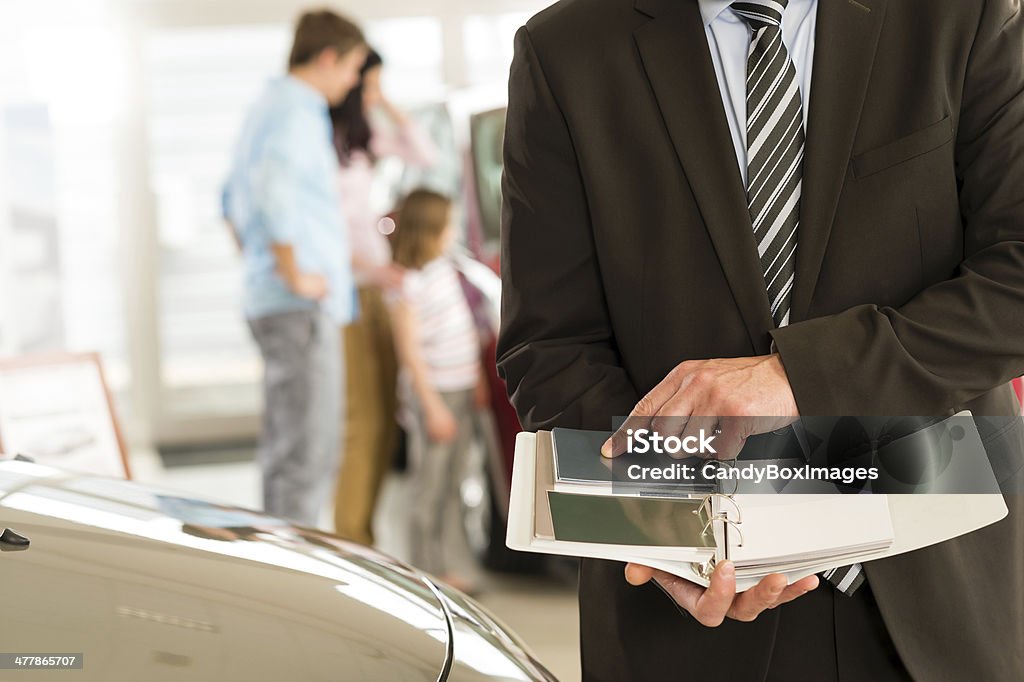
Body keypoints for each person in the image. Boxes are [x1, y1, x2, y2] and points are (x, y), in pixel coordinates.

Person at [497, 1, 1024, 680]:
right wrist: (662, 531)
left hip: (942, 587)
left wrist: (798, 377)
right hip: (690, 617)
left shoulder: (958, 13)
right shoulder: (564, 49)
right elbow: (550, 345)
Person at [222, 10, 367, 528]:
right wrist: (292, 272)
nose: (353, 81)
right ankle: (296, 587)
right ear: (327, 58)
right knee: (308, 455)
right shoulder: (296, 112)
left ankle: (279, 565)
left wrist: (265, 265)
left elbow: (228, 202)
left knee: (288, 450)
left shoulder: (267, 106)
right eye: (352, 67)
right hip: (298, 304)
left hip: (277, 301)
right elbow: (272, 196)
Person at [330, 50, 438, 546]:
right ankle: (352, 537)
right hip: (353, 292)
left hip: (374, 289)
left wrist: (386, 101)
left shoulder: (360, 141)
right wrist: (376, 269)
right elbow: (330, 233)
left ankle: (361, 535)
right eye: (365, 83)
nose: (370, 91)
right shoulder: (327, 147)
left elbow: (425, 153)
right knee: (365, 420)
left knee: (381, 421)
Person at [388, 189, 487, 591]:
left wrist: (477, 379)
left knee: (453, 483)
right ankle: (424, 576)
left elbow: (462, 330)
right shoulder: (407, 286)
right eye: (448, 225)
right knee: (429, 489)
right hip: (436, 398)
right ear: (431, 231)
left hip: (461, 389)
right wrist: (432, 408)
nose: (453, 232)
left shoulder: (444, 271)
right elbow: (409, 352)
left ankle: (453, 569)